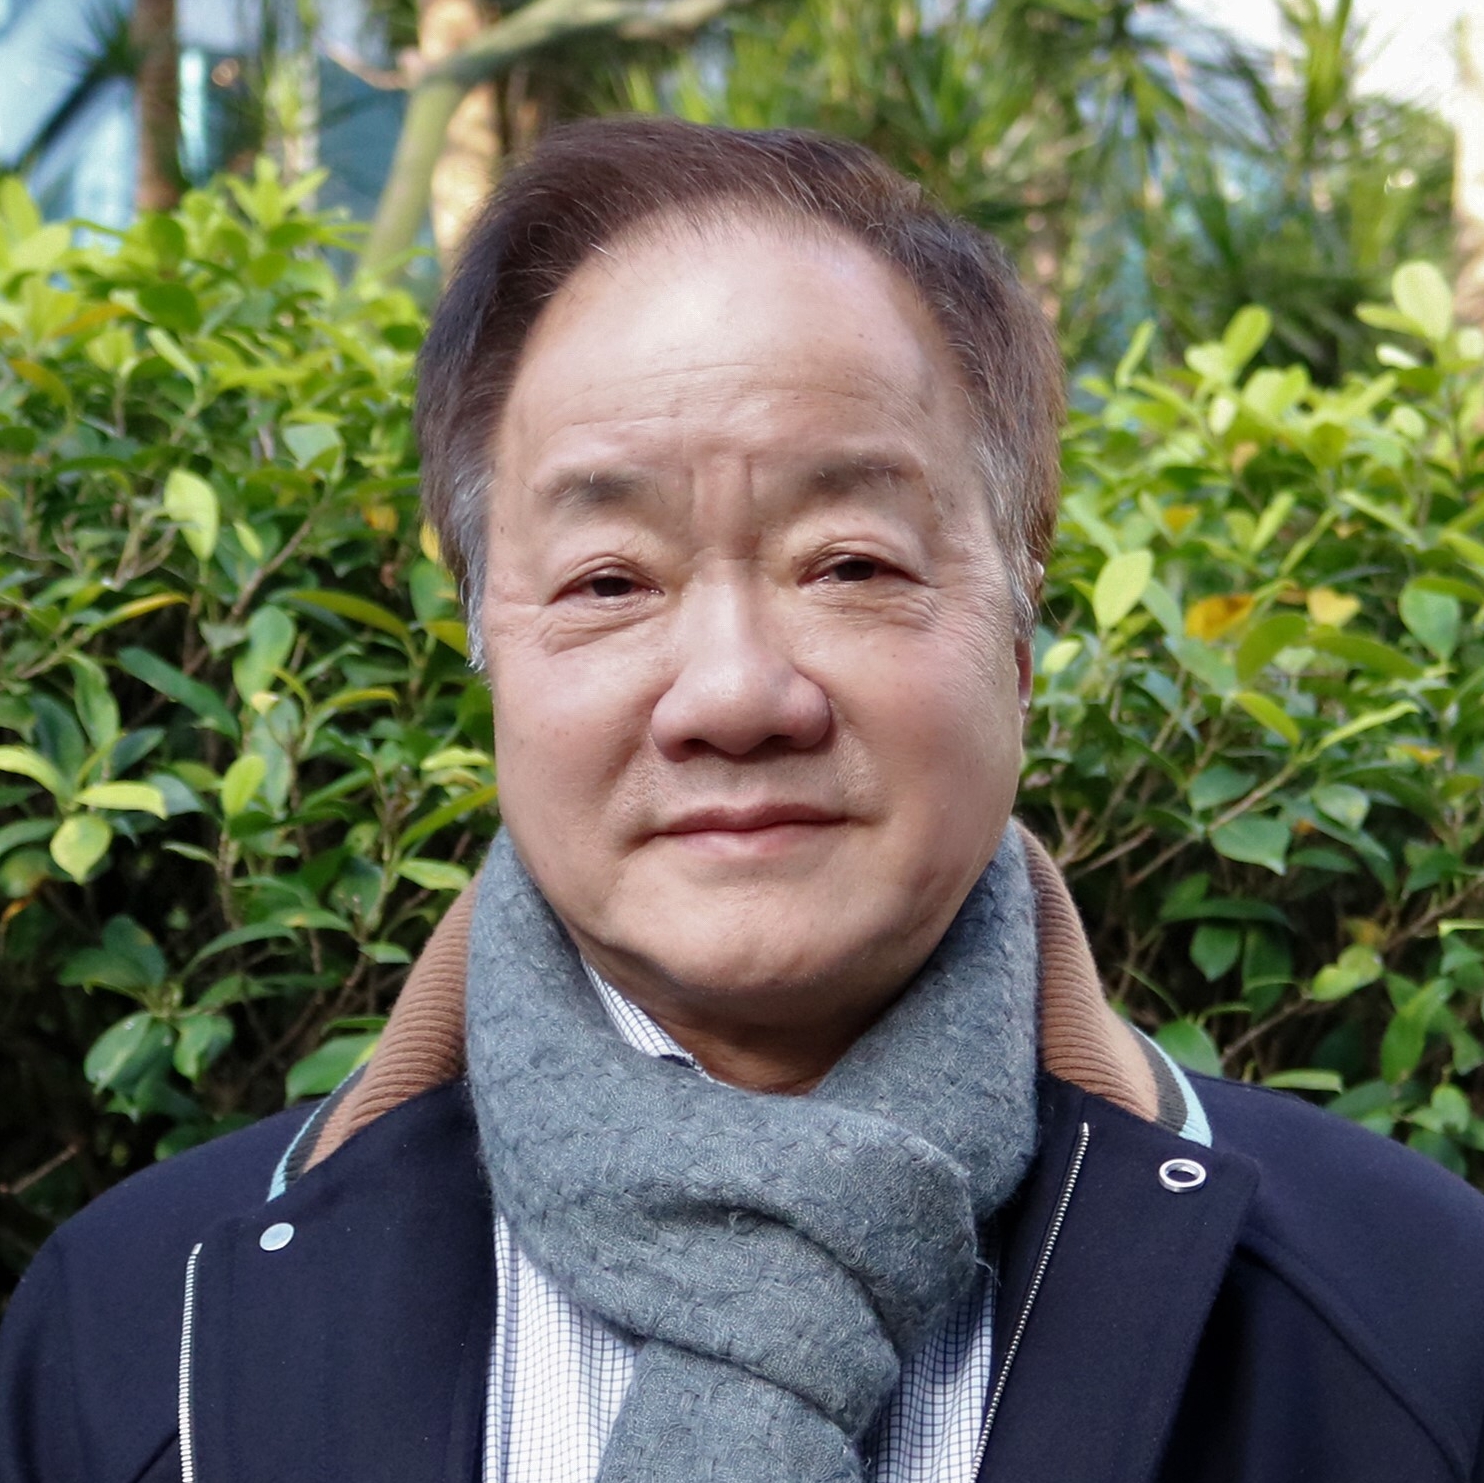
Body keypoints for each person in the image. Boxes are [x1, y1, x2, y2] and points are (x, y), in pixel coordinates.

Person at [3, 117, 1483, 1483]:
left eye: (850, 563)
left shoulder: (1416, 1323)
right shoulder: (132, 1344)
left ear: (1021, 645)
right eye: (608, 581)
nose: (732, 694)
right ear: (487, 654)